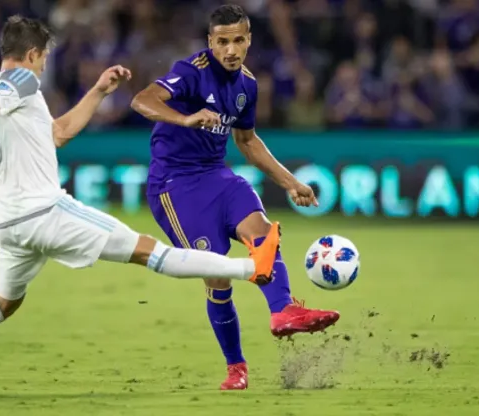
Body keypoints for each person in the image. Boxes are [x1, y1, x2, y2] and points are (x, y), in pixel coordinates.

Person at [0, 15, 282, 398]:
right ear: (33, 53)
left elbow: (59, 133)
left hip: (9, 224)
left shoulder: (17, 99)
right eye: (45, 57)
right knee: (152, 252)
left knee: (3, 303)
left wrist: (99, 90)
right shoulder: (19, 80)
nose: (45, 65)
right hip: (44, 212)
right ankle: (254, 266)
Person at [130, 4, 340, 391]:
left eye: (238, 40)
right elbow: (141, 100)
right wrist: (185, 118)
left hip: (217, 176)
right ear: (210, 42)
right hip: (175, 187)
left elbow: (246, 141)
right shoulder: (191, 71)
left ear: (248, 41)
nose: (230, 49)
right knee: (217, 276)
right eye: (222, 42)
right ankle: (236, 367)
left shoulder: (247, 85)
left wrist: (289, 181)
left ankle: (283, 311)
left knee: (261, 229)